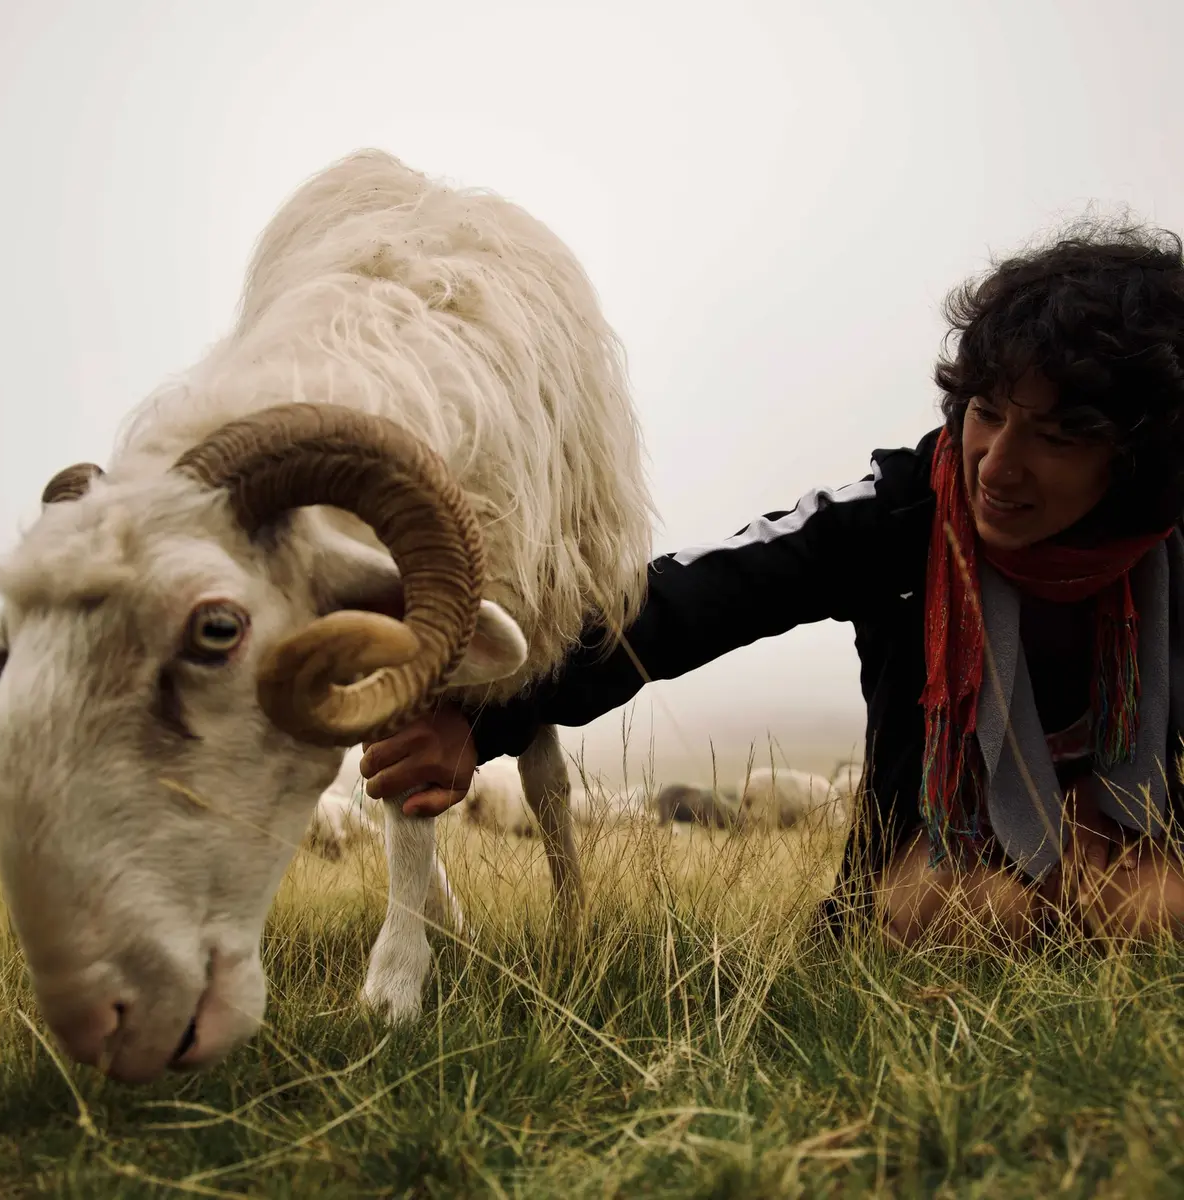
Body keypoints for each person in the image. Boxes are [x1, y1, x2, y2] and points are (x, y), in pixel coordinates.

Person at [359, 217, 1184, 945]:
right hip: (935, 869)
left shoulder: (1169, 550)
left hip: (1143, 847)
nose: (997, 467)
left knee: (1149, 908)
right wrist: (481, 718)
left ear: (1137, 456)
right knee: (959, 914)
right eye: (988, 412)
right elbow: (682, 603)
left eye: (1060, 436)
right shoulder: (904, 513)